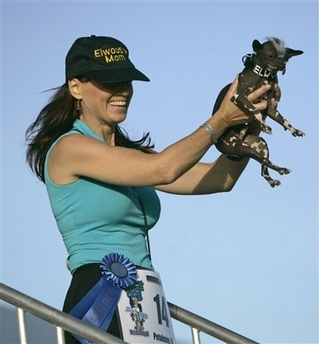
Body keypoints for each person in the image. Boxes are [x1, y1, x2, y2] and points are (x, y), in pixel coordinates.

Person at [25, 35, 278, 343]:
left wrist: (252, 118)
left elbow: (219, 179)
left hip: (143, 300)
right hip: (98, 296)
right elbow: (165, 168)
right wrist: (222, 119)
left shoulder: (130, 157)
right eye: (109, 81)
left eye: (126, 81)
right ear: (75, 86)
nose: (122, 91)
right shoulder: (69, 147)